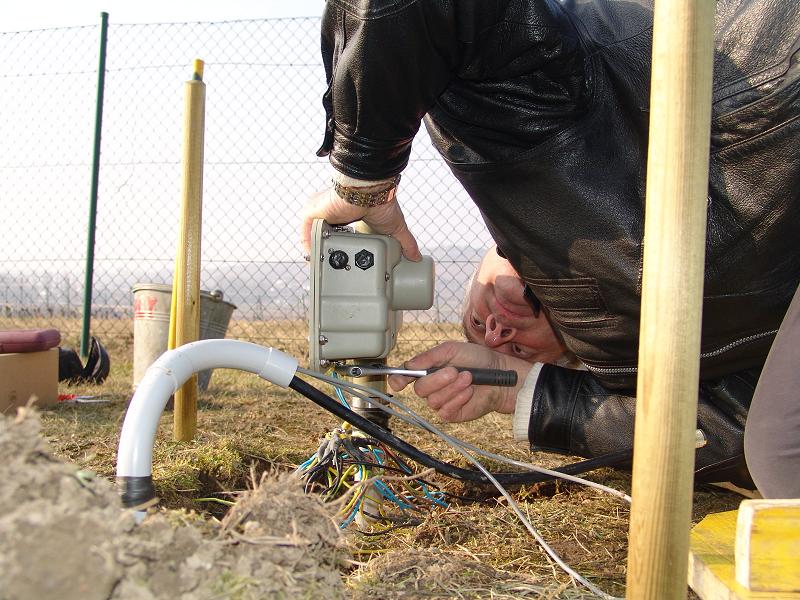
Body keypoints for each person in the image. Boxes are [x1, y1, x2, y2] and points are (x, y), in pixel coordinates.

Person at [301, 1, 800, 496]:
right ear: (570, 355)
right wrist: (520, 387)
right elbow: (732, 432)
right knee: (779, 457)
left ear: (482, 267)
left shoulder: (514, 123)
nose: (498, 328)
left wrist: (363, 180)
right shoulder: (629, 348)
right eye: (516, 348)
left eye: (478, 321)